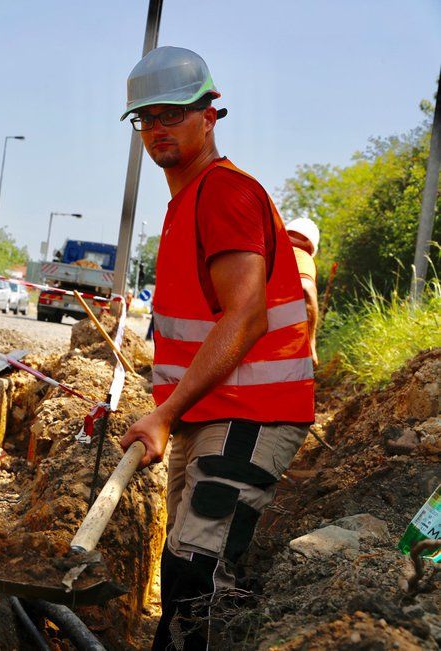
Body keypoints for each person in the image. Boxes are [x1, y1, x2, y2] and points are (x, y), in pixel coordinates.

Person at [116, 47, 315, 649]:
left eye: (171, 114)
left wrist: (163, 414)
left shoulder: (223, 193)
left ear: (209, 112)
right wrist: (173, 415)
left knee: (199, 575)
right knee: (181, 572)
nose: (157, 130)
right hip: (209, 415)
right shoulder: (186, 201)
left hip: (249, 415)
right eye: (145, 119)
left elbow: (246, 316)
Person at [285, 217, 321, 365]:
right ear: (310, 245)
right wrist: (310, 343)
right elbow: (305, 289)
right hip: (279, 348)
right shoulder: (300, 254)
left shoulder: (263, 253)